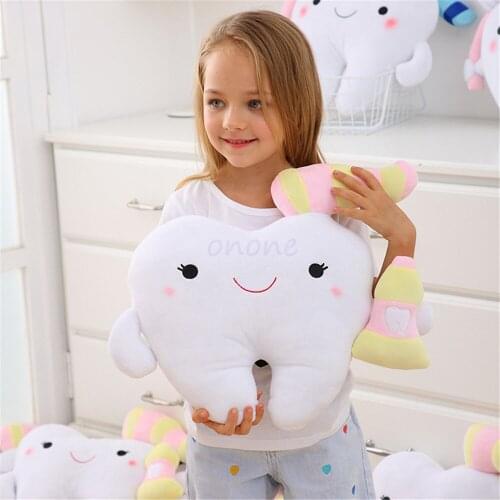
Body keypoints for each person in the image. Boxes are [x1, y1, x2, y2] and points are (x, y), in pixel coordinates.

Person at [160, 10, 416, 499]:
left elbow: (364, 321)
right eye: (216, 101)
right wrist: (198, 401)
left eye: (256, 102)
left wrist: (401, 240)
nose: (232, 121)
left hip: (320, 435)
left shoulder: (332, 204)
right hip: (220, 441)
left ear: (297, 103)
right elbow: (168, 321)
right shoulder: (190, 207)